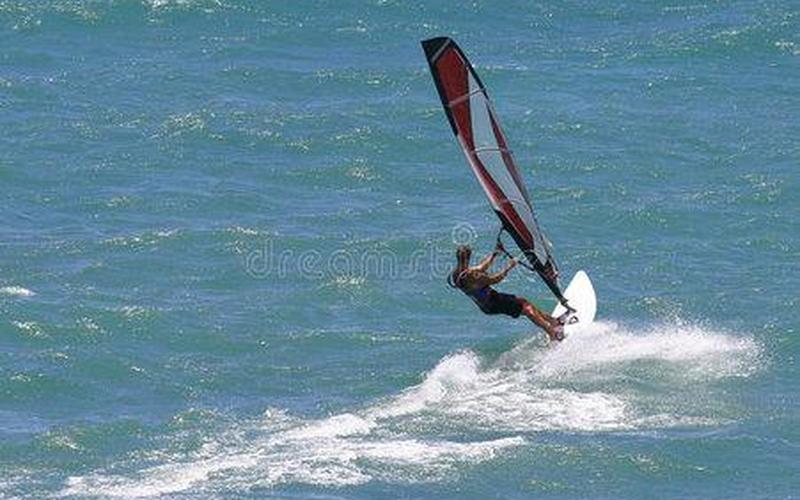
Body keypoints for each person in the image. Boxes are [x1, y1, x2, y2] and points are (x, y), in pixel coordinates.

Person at [448, 243, 564, 341]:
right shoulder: (472, 275)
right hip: (493, 302)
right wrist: (509, 266)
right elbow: (495, 280)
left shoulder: (456, 274)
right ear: (468, 257)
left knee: (523, 301)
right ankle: (552, 333)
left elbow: (481, 267)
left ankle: (552, 321)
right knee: (526, 308)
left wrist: (494, 254)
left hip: (486, 305)